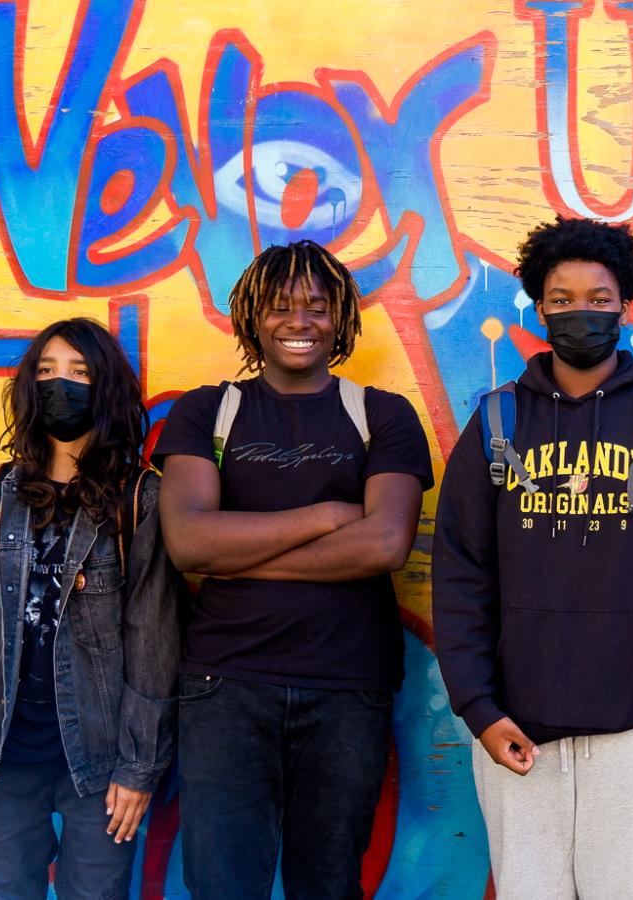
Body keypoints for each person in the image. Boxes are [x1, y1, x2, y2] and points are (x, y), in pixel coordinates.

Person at [432, 217, 633, 899]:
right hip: (518, 734)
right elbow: (460, 577)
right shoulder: (496, 423)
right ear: (538, 306)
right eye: (563, 298)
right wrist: (480, 710)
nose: (581, 313)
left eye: (599, 299)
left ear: (625, 303)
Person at [153, 239, 432, 900]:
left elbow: (385, 545)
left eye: (316, 306)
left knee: (328, 886)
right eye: (280, 307)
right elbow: (190, 544)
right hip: (225, 685)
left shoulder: (383, 416)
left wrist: (242, 556)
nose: (298, 322)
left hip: (347, 687)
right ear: (252, 317)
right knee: (223, 886)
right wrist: (327, 515)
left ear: (341, 318)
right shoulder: (206, 412)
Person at [0, 318, 181, 898]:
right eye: (46, 372)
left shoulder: (141, 500)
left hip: (100, 761)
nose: (60, 385)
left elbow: (154, 640)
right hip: (4, 757)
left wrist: (139, 768)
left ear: (107, 389)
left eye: (79, 373)